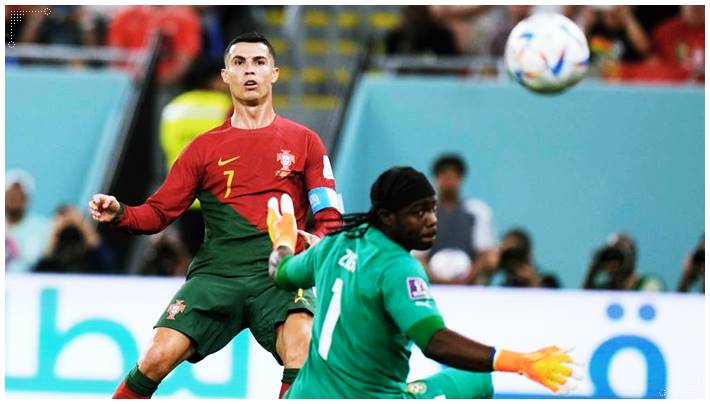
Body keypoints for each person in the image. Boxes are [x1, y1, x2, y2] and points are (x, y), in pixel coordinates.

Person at [89, 32, 343, 399]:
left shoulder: (305, 141)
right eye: (239, 63)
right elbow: (158, 213)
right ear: (226, 76)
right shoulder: (203, 149)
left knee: (302, 348)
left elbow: (329, 213)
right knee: (155, 358)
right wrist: (119, 212)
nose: (249, 70)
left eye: (259, 62)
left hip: (282, 274)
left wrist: (318, 240)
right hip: (218, 273)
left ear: (274, 73)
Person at [267, 166, 580, 398]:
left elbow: (281, 274)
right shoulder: (398, 267)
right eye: (418, 213)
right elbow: (434, 342)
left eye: (432, 208)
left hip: (306, 396)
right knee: (478, 381)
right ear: (388, 218)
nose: (432, 220)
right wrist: (519, 362)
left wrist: (282, 241)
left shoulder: (336, 242)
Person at [414, 154, 497, 285]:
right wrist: (437, 279)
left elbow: (484, 254)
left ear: (460, 178)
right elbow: (419, 257)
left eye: (453, 176)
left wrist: (466, 278)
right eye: (444, 176)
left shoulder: (477, 211)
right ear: (435, 178)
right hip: (432, 284)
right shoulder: (423, 214)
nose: (448, 181)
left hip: (470, 285)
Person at [34, 204, 115, 274]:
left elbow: (107, 263)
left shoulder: (88, 249)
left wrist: (81, 224)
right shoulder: (52, 254)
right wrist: (55, 231)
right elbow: (40, 271)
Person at [582, 232, 665, 291]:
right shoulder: (603, 289)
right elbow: (583, 302)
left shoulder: (648, 283)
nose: (614, 261)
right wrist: (593, 270)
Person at [5, 169, 51, 273]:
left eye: (19, 195)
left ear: (27, 198)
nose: (14, 198)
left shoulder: (44, 228)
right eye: (10, 194)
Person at [489, 228, 560, 288]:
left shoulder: (548, 281)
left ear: (528, 253)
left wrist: (533, 282)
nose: (512, 257)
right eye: (507, 253)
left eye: (516, 252)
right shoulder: (504, 288)